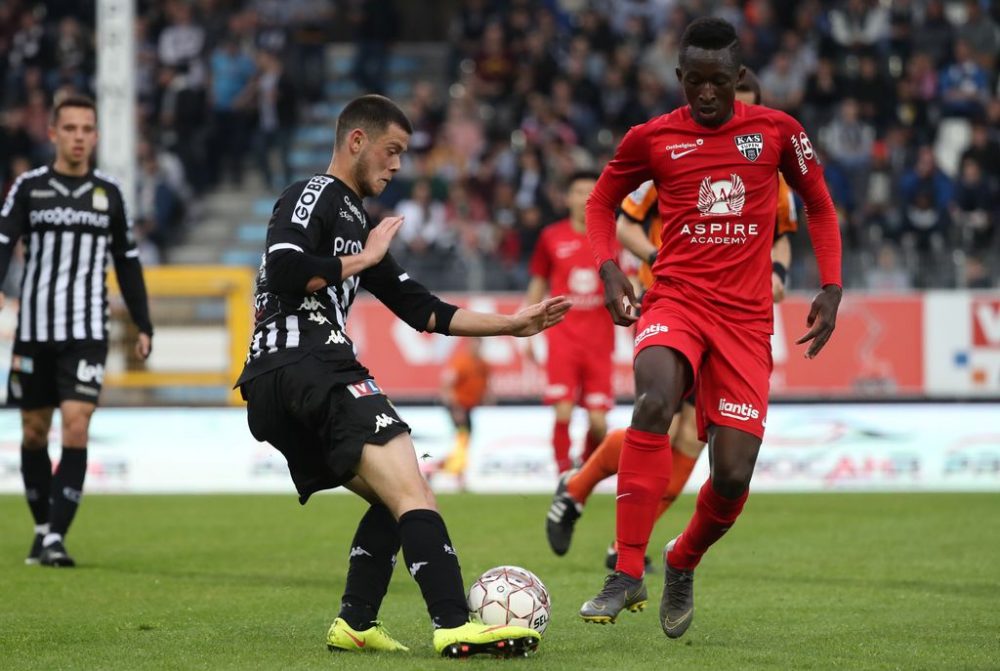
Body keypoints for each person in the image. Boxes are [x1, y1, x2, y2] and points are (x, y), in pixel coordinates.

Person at [235, 94, 569, 658]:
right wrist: (363, 260)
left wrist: (511, 325)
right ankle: (454, 624)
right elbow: (286, 267)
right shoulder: (311, 195)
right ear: (356, 141)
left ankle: (355, 623)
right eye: (391, 152)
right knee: (413, 486)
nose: (396, 166)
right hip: (308, 360)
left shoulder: (359, 223)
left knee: (394, 498)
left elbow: (424, 309)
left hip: (276, 383)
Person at [579, 18, 842, 638]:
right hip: (675, 301)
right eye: (694, 81)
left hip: (746, 321)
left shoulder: (779, 133)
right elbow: (600, 202)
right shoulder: (652, 138)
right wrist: (609, 270)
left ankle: (680, 559)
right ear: (679, 78)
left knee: (730, 477)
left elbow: (820, 205)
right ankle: (627, 570)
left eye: (718, 81)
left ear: (739, 78)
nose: (706, 93)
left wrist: (830, 285)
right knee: (652, 400)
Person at [545, 68, 798, 570]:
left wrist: (779, 271)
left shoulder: (772, 167)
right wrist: (667, 259)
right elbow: (624, 221)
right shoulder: (680, 150)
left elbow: (782, 234)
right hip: (676, 302)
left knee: (690, 438)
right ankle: (581, 493)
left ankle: (614, 528)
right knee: (664, 421)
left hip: (735, 312)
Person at [0, 95, 154, 568]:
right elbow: (3, 245)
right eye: (70, 128)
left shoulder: (109, 194)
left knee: (76, 424)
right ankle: (44, 528)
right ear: (53, 134)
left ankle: (55, 538)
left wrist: (143, 323)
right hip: (34, 331)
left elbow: (128, 263)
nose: (79, 137)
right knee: (32, 431)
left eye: (87, 129)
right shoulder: (28, 188)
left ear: (96, 136)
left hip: (86, 330)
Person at [524, 171, 615, 474]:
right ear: (567, 198)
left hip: (600, 342)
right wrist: (525, 329)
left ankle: (586, 470)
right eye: (578, 191)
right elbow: (538, 282)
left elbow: (629, 282)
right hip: (562, 338)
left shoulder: (613, 235)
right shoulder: (551, 236)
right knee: (563, 409)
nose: (585, 197)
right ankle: (564, 474)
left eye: (592, 191)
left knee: (599, 422)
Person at [438, 337, 491, 479]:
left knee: (464, 439)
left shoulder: (483, 365)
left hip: (469, 408)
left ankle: (445, 467)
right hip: (458, 407)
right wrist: (456, 409)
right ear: (469, 346)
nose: (476, 348)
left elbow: (484, 386)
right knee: (462, 437)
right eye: (474, 345)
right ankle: (456, 471)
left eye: (479, 345)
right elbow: (447, 386)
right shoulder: (461, 362)